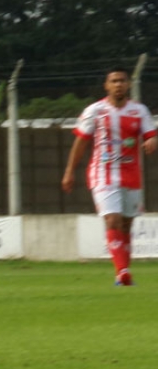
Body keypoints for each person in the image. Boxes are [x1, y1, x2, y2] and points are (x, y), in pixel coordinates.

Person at [62, 66, 157, 286]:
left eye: (122, 80)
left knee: (126, 225)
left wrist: (152, 140)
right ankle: (122, 271)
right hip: (102, 174)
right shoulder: (95, 111)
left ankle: (123, 271)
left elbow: (150, 134)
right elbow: (81, 141)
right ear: (107, 86)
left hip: (132, 175)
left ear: (129, 84)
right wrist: (69, 171)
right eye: (113, 81)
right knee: (112, 219)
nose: (118, 85)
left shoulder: (139, 111)